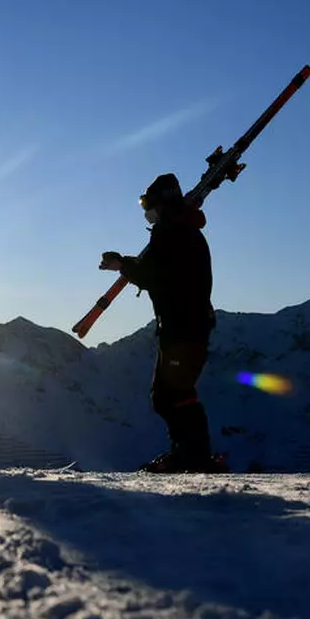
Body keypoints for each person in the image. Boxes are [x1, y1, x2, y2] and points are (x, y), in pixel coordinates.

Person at [99, 173, 228, 473]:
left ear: (162, 204)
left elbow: (158, 275)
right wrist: (125, 263)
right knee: (168, 394)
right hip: (181, 324)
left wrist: (124, 265)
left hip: (184, 325)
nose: (146, 212)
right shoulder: (176, 231)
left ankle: (193, 456)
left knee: (174, 393)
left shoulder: (174, 232)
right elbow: (157, 269)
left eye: (148, 204)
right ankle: (188, 453)